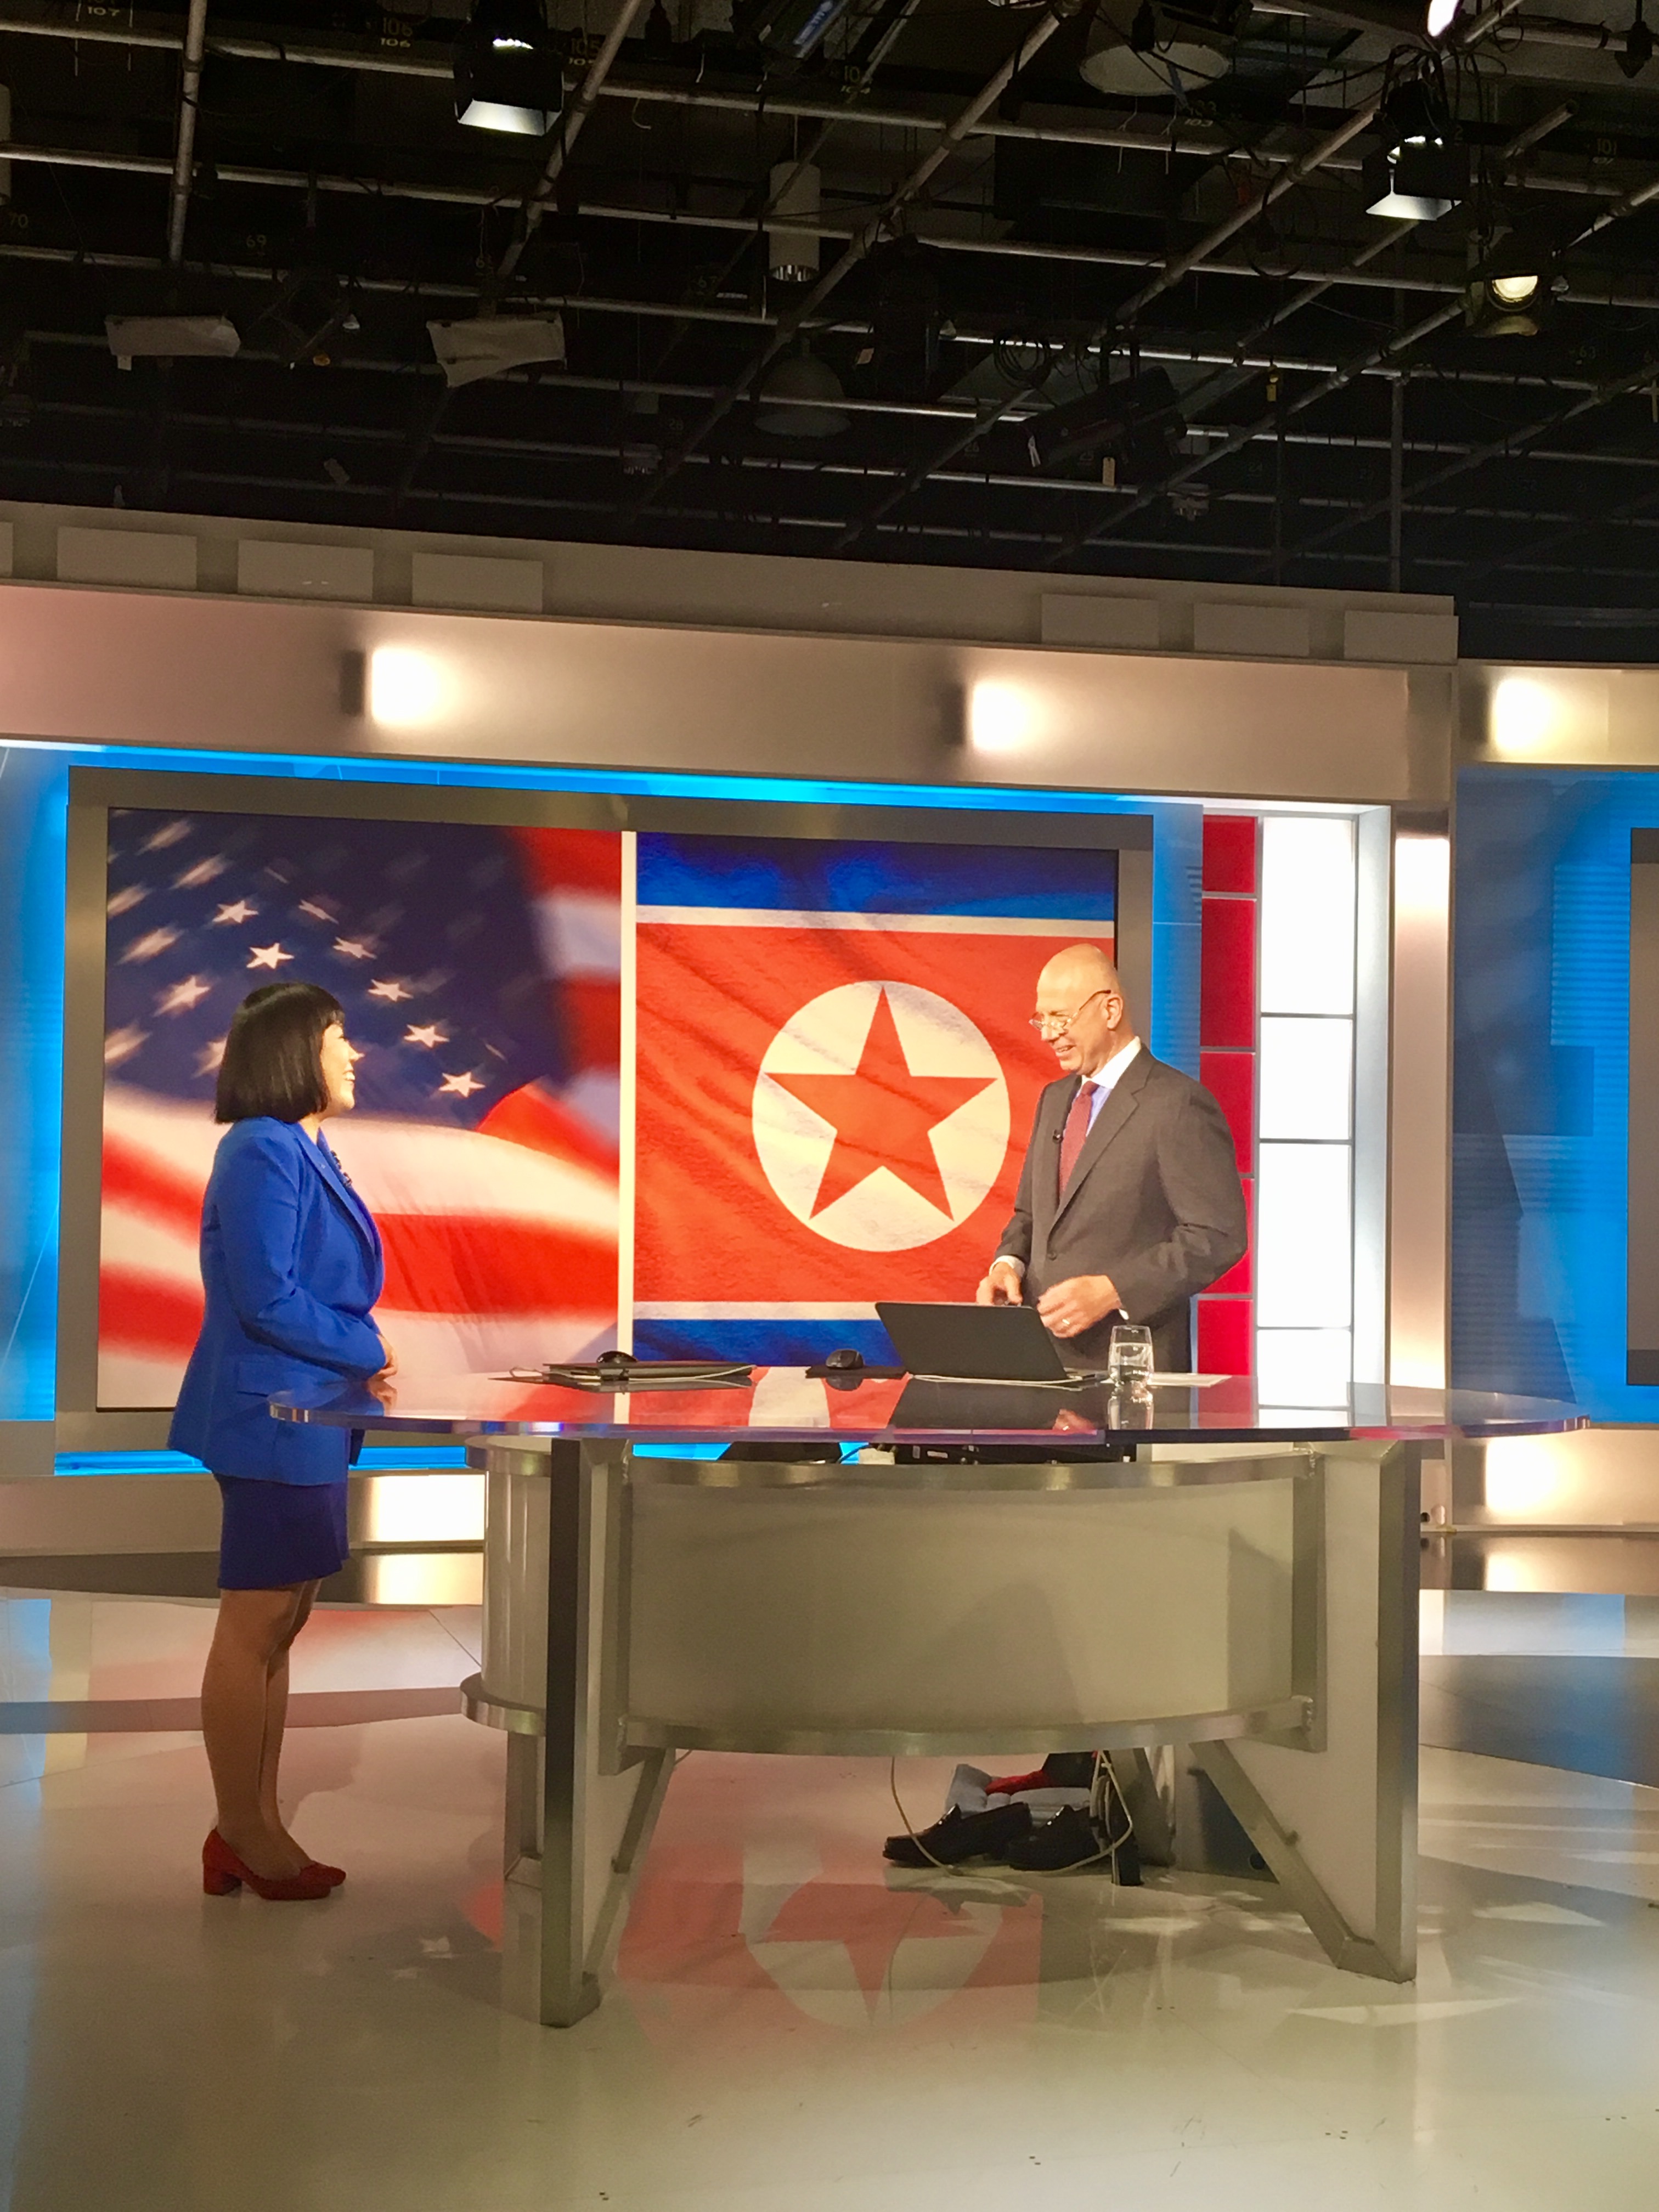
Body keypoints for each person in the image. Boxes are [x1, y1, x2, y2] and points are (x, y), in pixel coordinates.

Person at [170, 982, 394, 1902]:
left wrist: (354, 1357)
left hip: (308, 1416)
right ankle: (243, 1831)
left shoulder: (303, 1146)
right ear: (296, 1050)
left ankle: (253, 1824)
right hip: (270, 1418)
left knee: (284, 1620)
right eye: (339, 1037)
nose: (354, 1054)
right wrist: (368, 1349)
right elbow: (266, 1298)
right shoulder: (262, 1146)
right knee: (256, 1620)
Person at [977, 943, 1246, 1373]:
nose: (1047, 1034)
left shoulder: (1177, 1103)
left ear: (1111, 1010)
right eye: (1042, 1019)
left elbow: (1217, 1236)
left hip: (1131, 1366)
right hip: (1042, 1364)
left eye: (1061, 1017)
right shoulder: (1054, 1099)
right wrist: (1008, 1264)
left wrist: (1112, 1291)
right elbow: (1031, 1214)